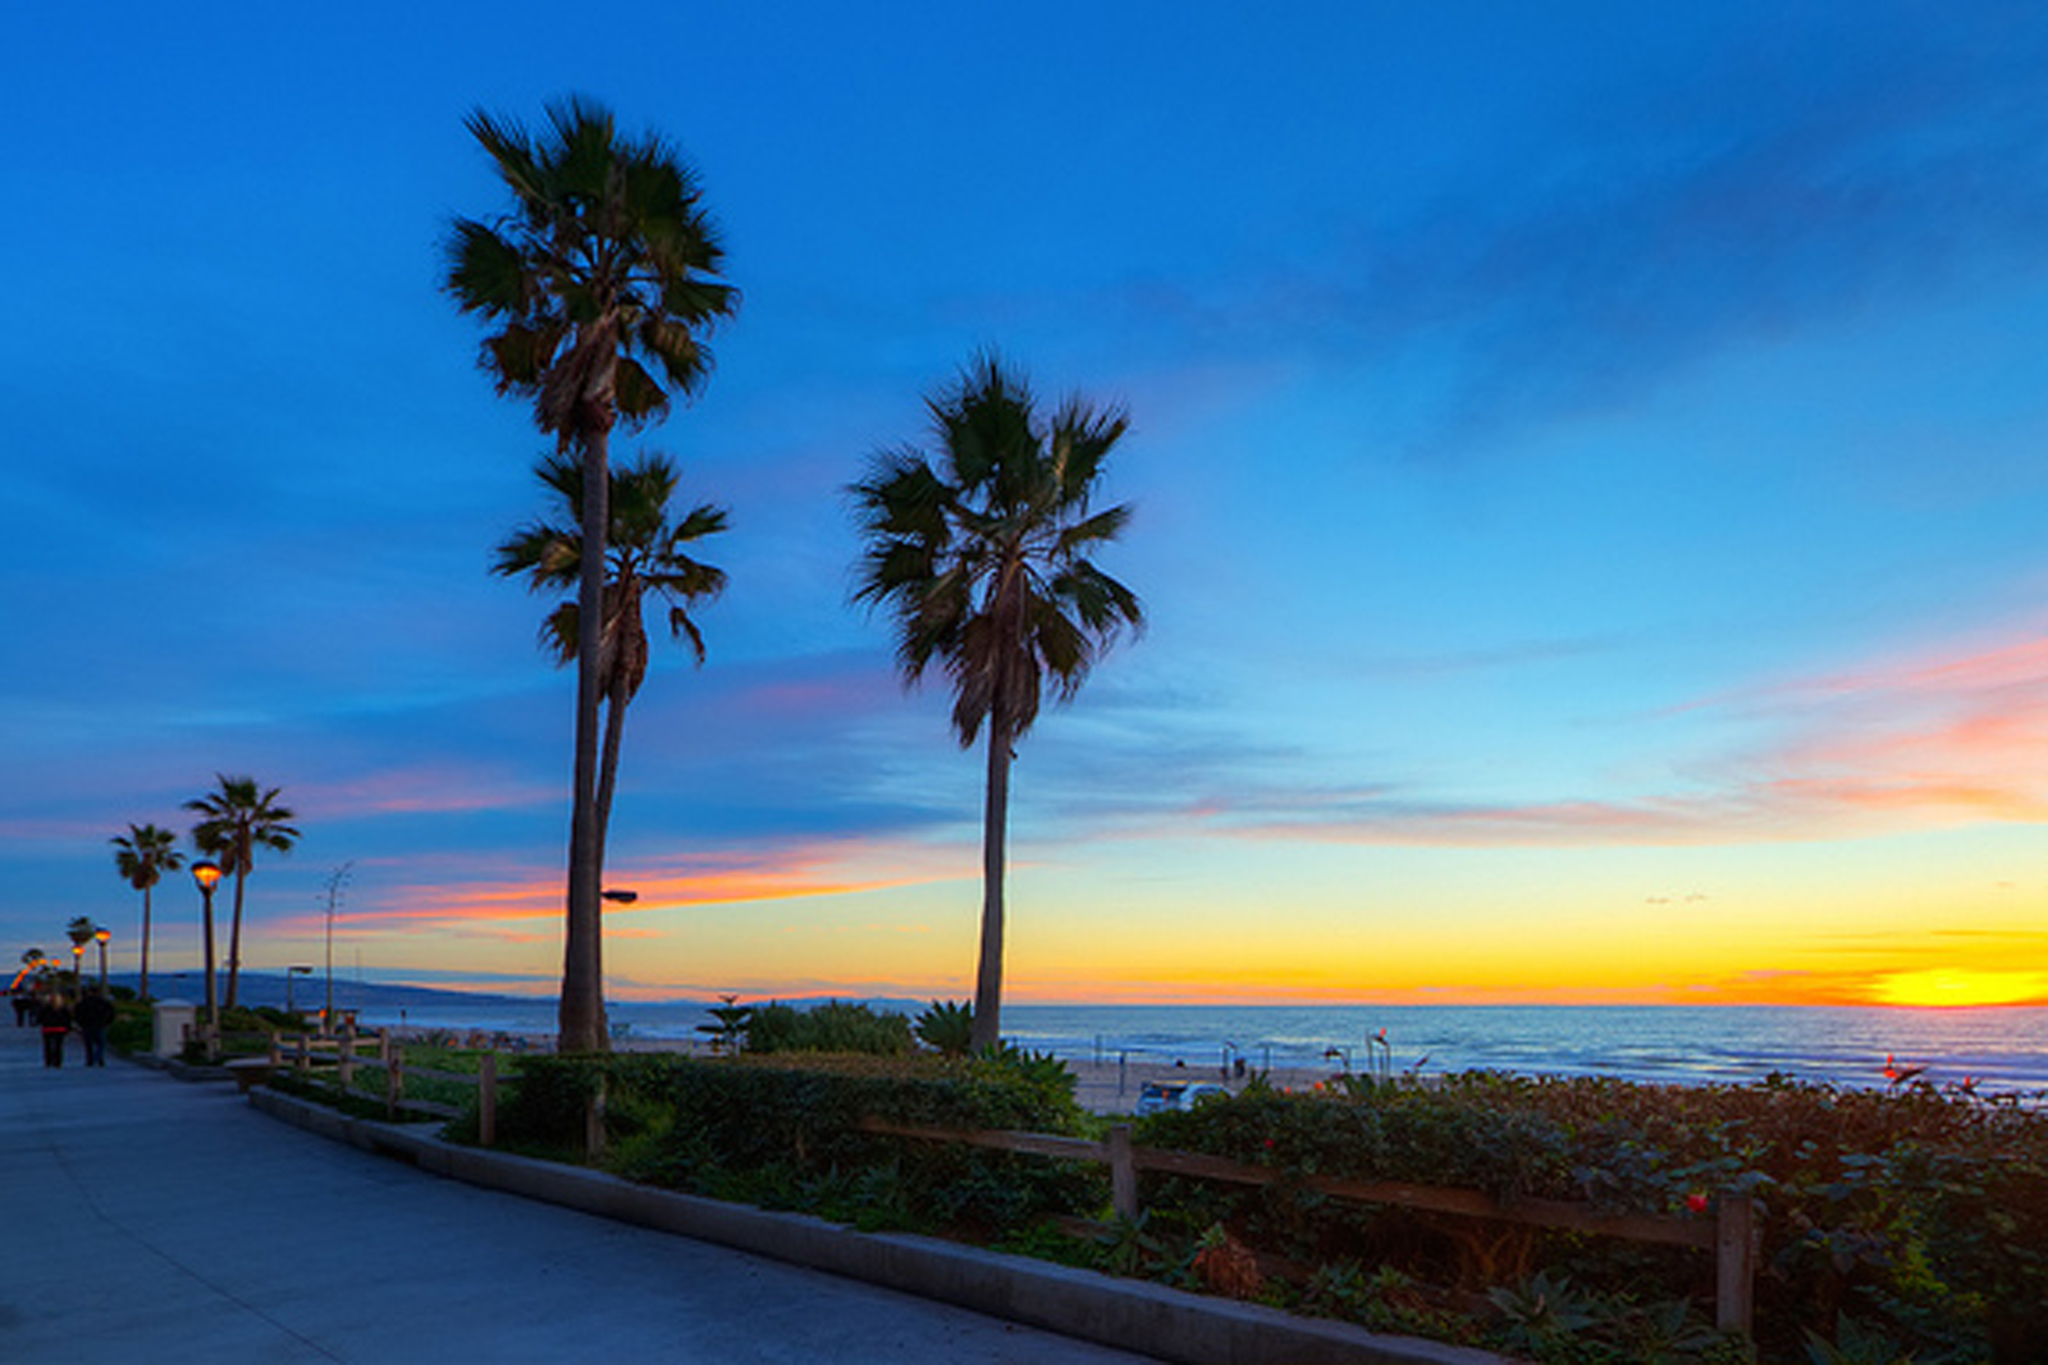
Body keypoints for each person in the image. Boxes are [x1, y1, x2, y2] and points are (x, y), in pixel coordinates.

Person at [74, 986, 116, 1067]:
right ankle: (99, 1058)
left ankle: (90, 1060)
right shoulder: (103, 1002)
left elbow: (77, 1014)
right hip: (100, 1025)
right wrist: (107, 1022)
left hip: (87, 1025)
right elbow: (111, 1013)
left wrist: (80, 1024)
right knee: (100, 1044)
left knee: (89, 1044)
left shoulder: (83, 1002)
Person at [37, 992, 73, 1069]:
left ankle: (49, 1061)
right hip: (60, 1029)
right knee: (58, 1046)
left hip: (47, 1029)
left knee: (48, 1046)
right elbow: (68, 1019)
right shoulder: (63, 1009)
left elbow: (39, 1019)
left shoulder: (45, 1009)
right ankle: (57, 1062)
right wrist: (68, 1028)